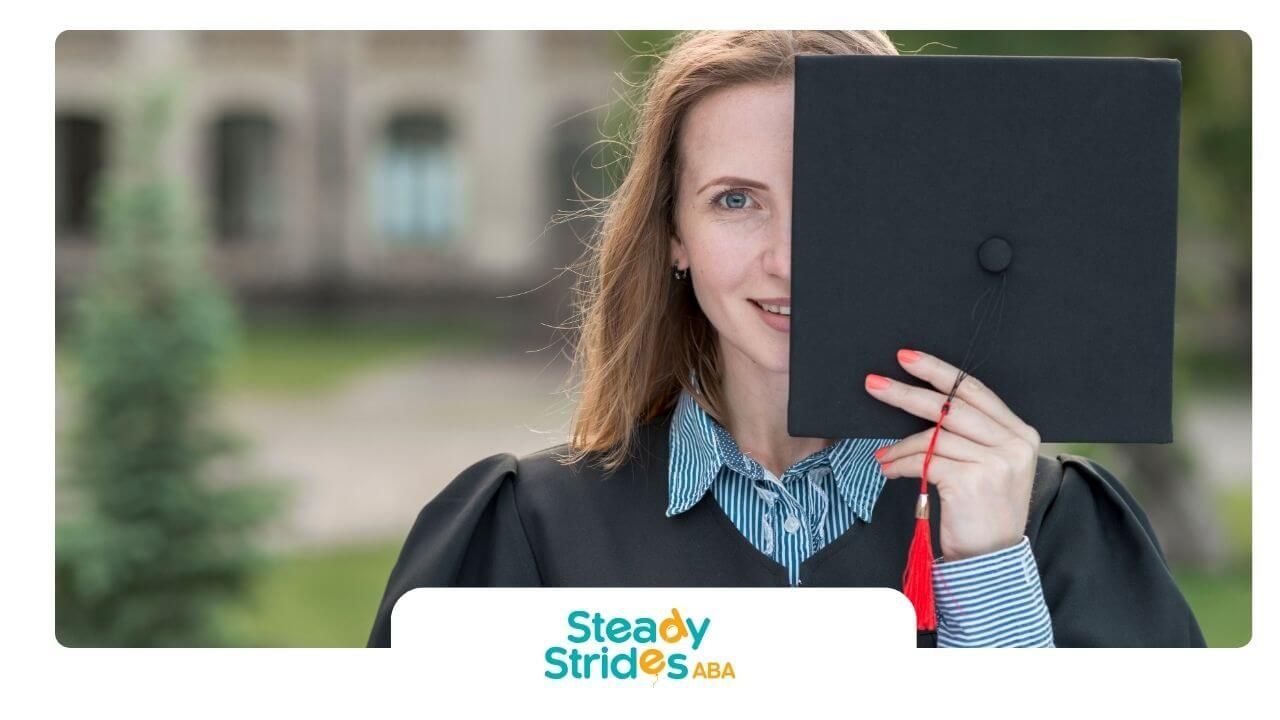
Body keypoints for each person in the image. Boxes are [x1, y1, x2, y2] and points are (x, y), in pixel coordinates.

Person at [368, 30, 1205, 648]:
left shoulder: (1050, 521)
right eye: (737, 199)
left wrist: (988, 570)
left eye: (837, 201)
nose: (786, 259)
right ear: (673, 235)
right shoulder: (526, 531)